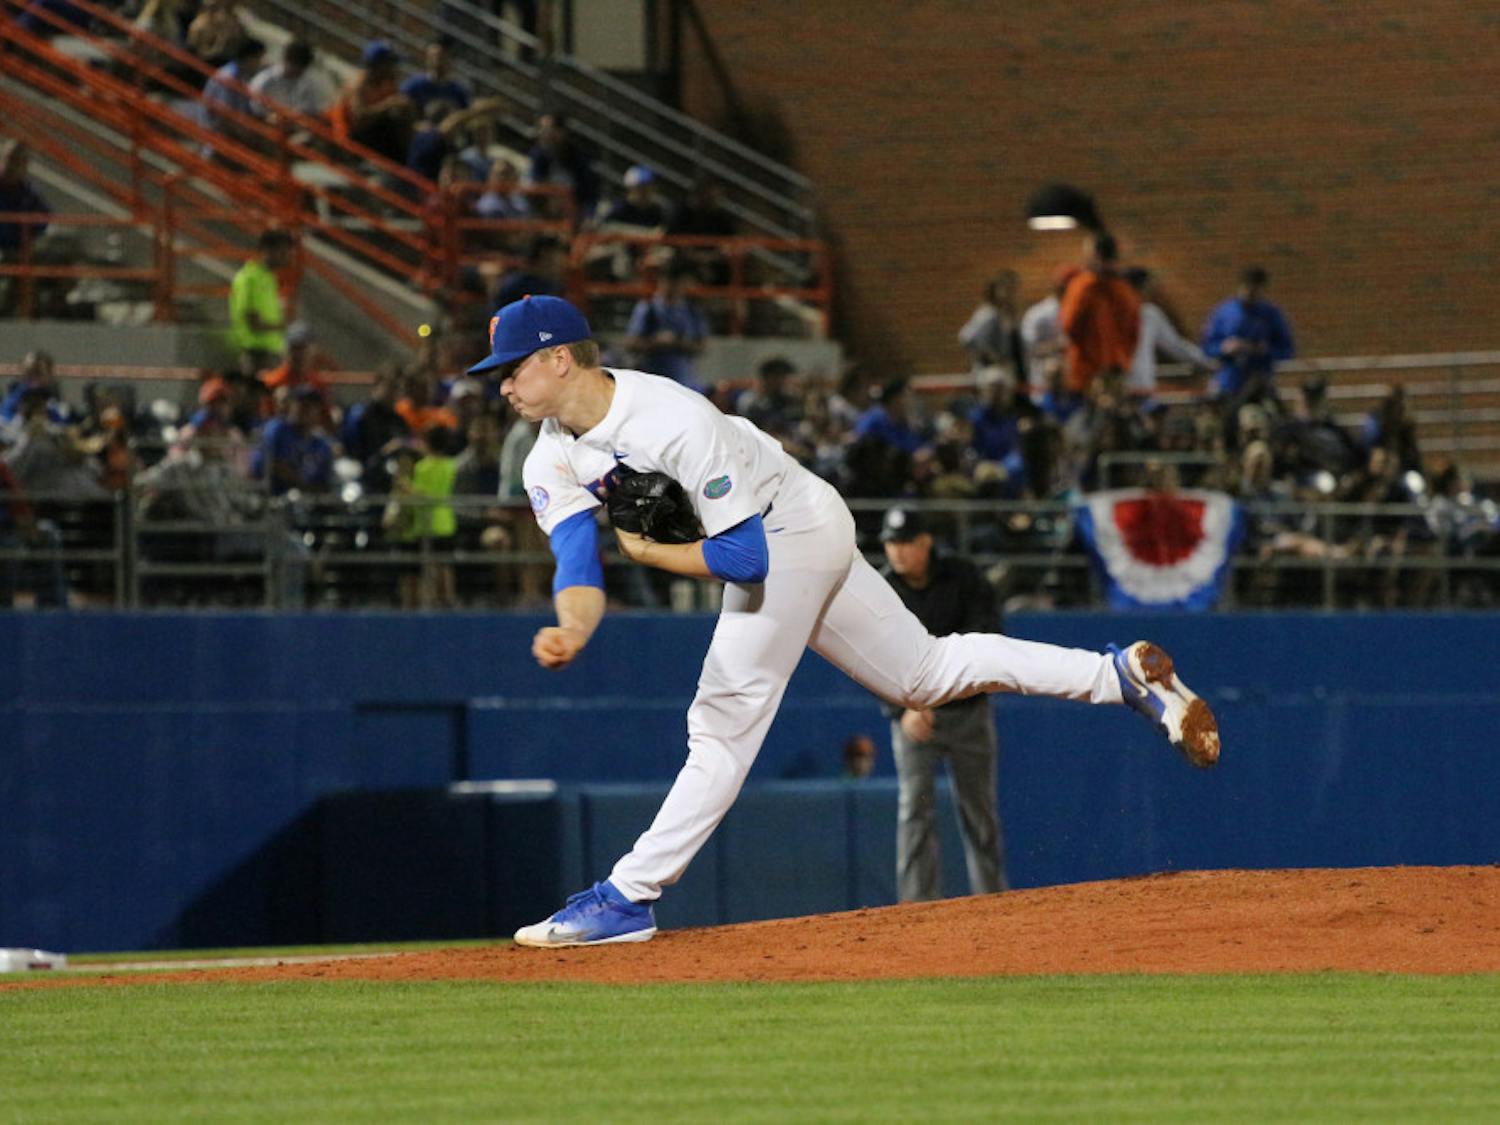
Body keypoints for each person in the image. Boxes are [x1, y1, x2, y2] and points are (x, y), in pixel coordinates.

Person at [464, 294, 1221, 947]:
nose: (501, 385)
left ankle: (629, 896)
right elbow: (577, 564)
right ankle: (1117, 677)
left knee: (723, 718)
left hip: (787, 527)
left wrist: (654, 555)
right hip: (795, 521)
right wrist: (575, 626)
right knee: (924, 672)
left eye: (511, 368)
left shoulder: (669, 416)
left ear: (560, 358)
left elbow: (745, 560)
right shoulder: (547, 459)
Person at [877, 506, 1007, 900]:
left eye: (904, 542)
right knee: (913, 813)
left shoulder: (964, 577)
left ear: (925, 542)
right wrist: (901, 710)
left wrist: (943, 686)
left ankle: (994, 907)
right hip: (916, 718)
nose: (896, 551)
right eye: (890, 542)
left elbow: (988, 636)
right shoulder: (883, 589)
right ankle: (916, 912)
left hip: (967, 712)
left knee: (979, 813)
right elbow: (870, 656)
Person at [1058, 233, 1140, 400]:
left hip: (1086, 372)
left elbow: (1069, 325)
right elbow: (1134, 332)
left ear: (1093, 254)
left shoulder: (1082, 286)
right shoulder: (1125, 291)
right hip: (1117, 369)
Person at [1201, 265, 1295, 402]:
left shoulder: (1271, 314)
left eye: (1255, 291)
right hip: (1229, 383)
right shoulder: (1223, 312)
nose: (1250, 295)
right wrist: (1224, 347)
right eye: (1247, 289)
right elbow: (1207, 346)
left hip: (1259, 383)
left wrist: (1264, 350)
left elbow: (1287, 350)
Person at [622, 261, 708, 392]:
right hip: (652, 384)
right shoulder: (648, 309)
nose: (673, 287)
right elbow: (631, 343)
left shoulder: (691, 311)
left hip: (683, 384)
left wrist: (677, 343)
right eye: (669, 281)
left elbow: (701, 346)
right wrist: (656, 342)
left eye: (678, 282)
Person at [1123, 267, 1208, 399]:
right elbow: (1176, 346)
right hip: (1121, 389)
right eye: (1148, 287)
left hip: (1140, 388)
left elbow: (1175, 345)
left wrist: (1202, 359)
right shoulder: (1112, 314)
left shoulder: (1150, 315)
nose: (1150, 292)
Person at [228, 229, 294, 374]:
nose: (288, 257)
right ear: (266, 250)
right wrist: (284, 326)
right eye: (283, 252)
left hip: (271, 352)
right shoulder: (249, 279)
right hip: (257, 356)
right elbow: (253, 323)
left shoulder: (269, 278)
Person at [957, 270, 1025, 380]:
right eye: (1007, 289)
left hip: (1009, 372)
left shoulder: (1006, 314)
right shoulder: (987, 314)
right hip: (990, 373)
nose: (1011, 294)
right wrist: (996, 360)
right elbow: (967, 338)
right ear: (996, 290)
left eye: (1014, 289)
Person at [249, 39, 336, 121]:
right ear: (286, 59)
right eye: (295, 64)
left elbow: (313, 110)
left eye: (302, 67)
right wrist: (270, 118)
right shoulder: (265, 80)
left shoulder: (307, 84)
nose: (298, 72)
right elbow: (255, 108)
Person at [399, 40, 471, 114]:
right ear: (426, 59)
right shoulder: (414, 85)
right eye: (433, 57)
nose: (437, 61)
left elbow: (465, 113)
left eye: (441, 57)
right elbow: (401, 105)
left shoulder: (457, 90)